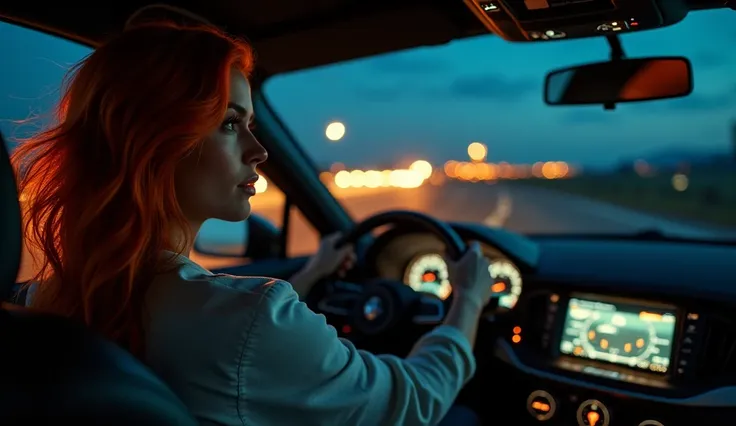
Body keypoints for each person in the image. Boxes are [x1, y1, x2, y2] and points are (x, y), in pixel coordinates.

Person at [12, 21, 493, 426]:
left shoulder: (38, 302)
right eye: (228, 123)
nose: (258, 151)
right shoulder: (251, 319)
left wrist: (310, 276)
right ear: (153, 142)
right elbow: (410, 400)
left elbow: (237, 336)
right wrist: (467, 302)